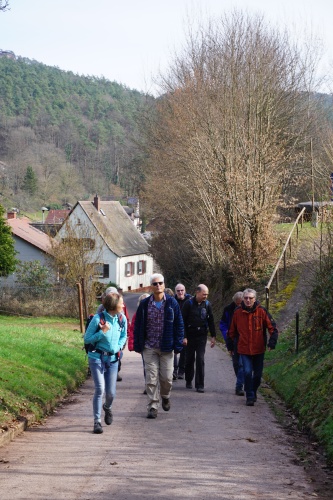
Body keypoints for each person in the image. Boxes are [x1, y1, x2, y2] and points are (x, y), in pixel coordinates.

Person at [134, 273, 184, 419]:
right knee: (151, 378)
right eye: (155, 284)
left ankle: (165, 396)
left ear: (164, 284)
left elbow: (179, 324)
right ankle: (153, 406)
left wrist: (178, 344)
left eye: (160, 283)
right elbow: (138, 326)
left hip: (166, 347)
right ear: (151, 286)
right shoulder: (144, 305)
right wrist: (138, 344)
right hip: (149, 347)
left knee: (167, 379)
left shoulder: (172, 303)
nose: (158, 286)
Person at [227, 288, 278, 406]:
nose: (248, 300)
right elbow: (231, 331)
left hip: (259, 349)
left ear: (255, 299)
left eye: (250, 298)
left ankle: (253, 391)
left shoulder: (262, 311)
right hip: (244, 349)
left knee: (258, 375)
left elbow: (273, 328)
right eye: (246, 298)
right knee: (247, 372)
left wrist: (272, 342)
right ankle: (249, 395)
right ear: (243, 299)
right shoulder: (237, 312)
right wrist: (230, 346)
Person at [84, 294, 127, 434]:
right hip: (96, 357)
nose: (123, 306)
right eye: (121, 303)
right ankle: (97, 422)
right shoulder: (98, 319)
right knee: (100, 389)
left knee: (111, 393)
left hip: (113, 360)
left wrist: (118, 347)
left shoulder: (122, 319)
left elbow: (123, 336)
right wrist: (102, 332)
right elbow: (87, 339)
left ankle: (107, 407)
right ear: (114, 305)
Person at [181, 284, 216, 393]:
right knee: (189, 359)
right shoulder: (188, 304)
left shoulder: (207, 305)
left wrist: (213, 336)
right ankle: (188, 380)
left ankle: (200, 385)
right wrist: (184, 336)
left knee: (200, 359)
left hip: (202, 335)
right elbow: (183, 321)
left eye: (207, 294)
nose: (205, 296)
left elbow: (211, 320)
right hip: (190, 335)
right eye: (204, 294)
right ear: (197, 292)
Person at [97, 286, 128, 381]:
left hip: (117, 335)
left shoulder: (120, 307)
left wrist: (122, 340)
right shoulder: (101, 308)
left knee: (117, 354)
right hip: (104, 333)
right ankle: (102, 371)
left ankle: (116, 371)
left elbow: (124, 320)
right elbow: (96, 320)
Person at [219, 291, 245, 396]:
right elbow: (223, 324)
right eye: (238, 303)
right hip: (232, 339)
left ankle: (240, 385)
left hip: (243, 340)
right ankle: (240, 380)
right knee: (236, 363)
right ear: (234, 302)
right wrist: (227, 335)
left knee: (242, 364)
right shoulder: (228, 309)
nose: (239, 305)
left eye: (241, 303)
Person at [127, 292, 150, 394]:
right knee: (146, 366)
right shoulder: (137, 315)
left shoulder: (157, 313)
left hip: (156, 344)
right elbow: (133, 330)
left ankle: (156, 384)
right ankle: (148, 385)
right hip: (144, 345)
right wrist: (134, 345)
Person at [173, 283, 191, 380]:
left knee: (184, 351)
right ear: (176, 292)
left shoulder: (190, 301)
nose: (180, 292)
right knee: (174, 351)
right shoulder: (172, 301)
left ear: (185, 291)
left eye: (182, 290)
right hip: (174, 329)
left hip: (186, 329)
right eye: (178, 291)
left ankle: (181, 371)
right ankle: (174, 371)